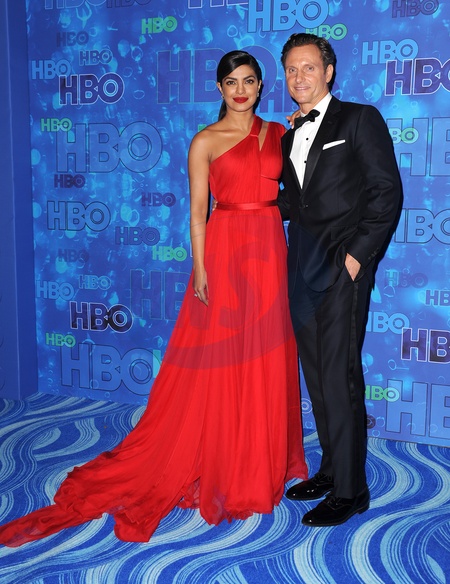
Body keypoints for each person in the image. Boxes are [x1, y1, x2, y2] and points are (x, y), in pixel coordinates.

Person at [0, 51, 307, 547]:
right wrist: (201, 267)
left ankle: (258, 457)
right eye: (231, 82)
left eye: (249, 81)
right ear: (219, 88)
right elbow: (198, 212)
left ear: (261, 85)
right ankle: (227, 458)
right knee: (225, 356)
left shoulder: (278, 132)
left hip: (270, 247)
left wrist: (301, 128)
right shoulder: (204, 140)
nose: (240, 90)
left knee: (265, 353)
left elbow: (301, 182)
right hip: (226, 248)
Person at [278, 33, 402, 527]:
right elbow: (295, 202)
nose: (299, 77)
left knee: (339, 376)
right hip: (301, 269)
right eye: (291, 69)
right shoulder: (289, 135)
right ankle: (331, 470)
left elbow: (385, 193)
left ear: (328, 72)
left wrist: (355, 258)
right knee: (317, 378)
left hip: (342, 268)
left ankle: (352, 491)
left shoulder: (358, 119)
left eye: (308, 67)